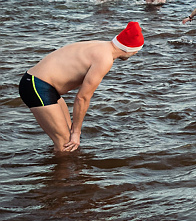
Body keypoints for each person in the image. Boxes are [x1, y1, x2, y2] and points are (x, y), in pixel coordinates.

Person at [19, 21, 143, 153]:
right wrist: (77, 132)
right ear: (130, 49)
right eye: (137, 51)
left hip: (40, 84)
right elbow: (82, 97)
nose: (135, 54)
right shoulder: (105, 59)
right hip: (36, 85)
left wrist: (75, 131)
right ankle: (60, 172)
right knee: (65, 144)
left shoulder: (102, 45)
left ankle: (63, 169)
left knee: (69, 140)